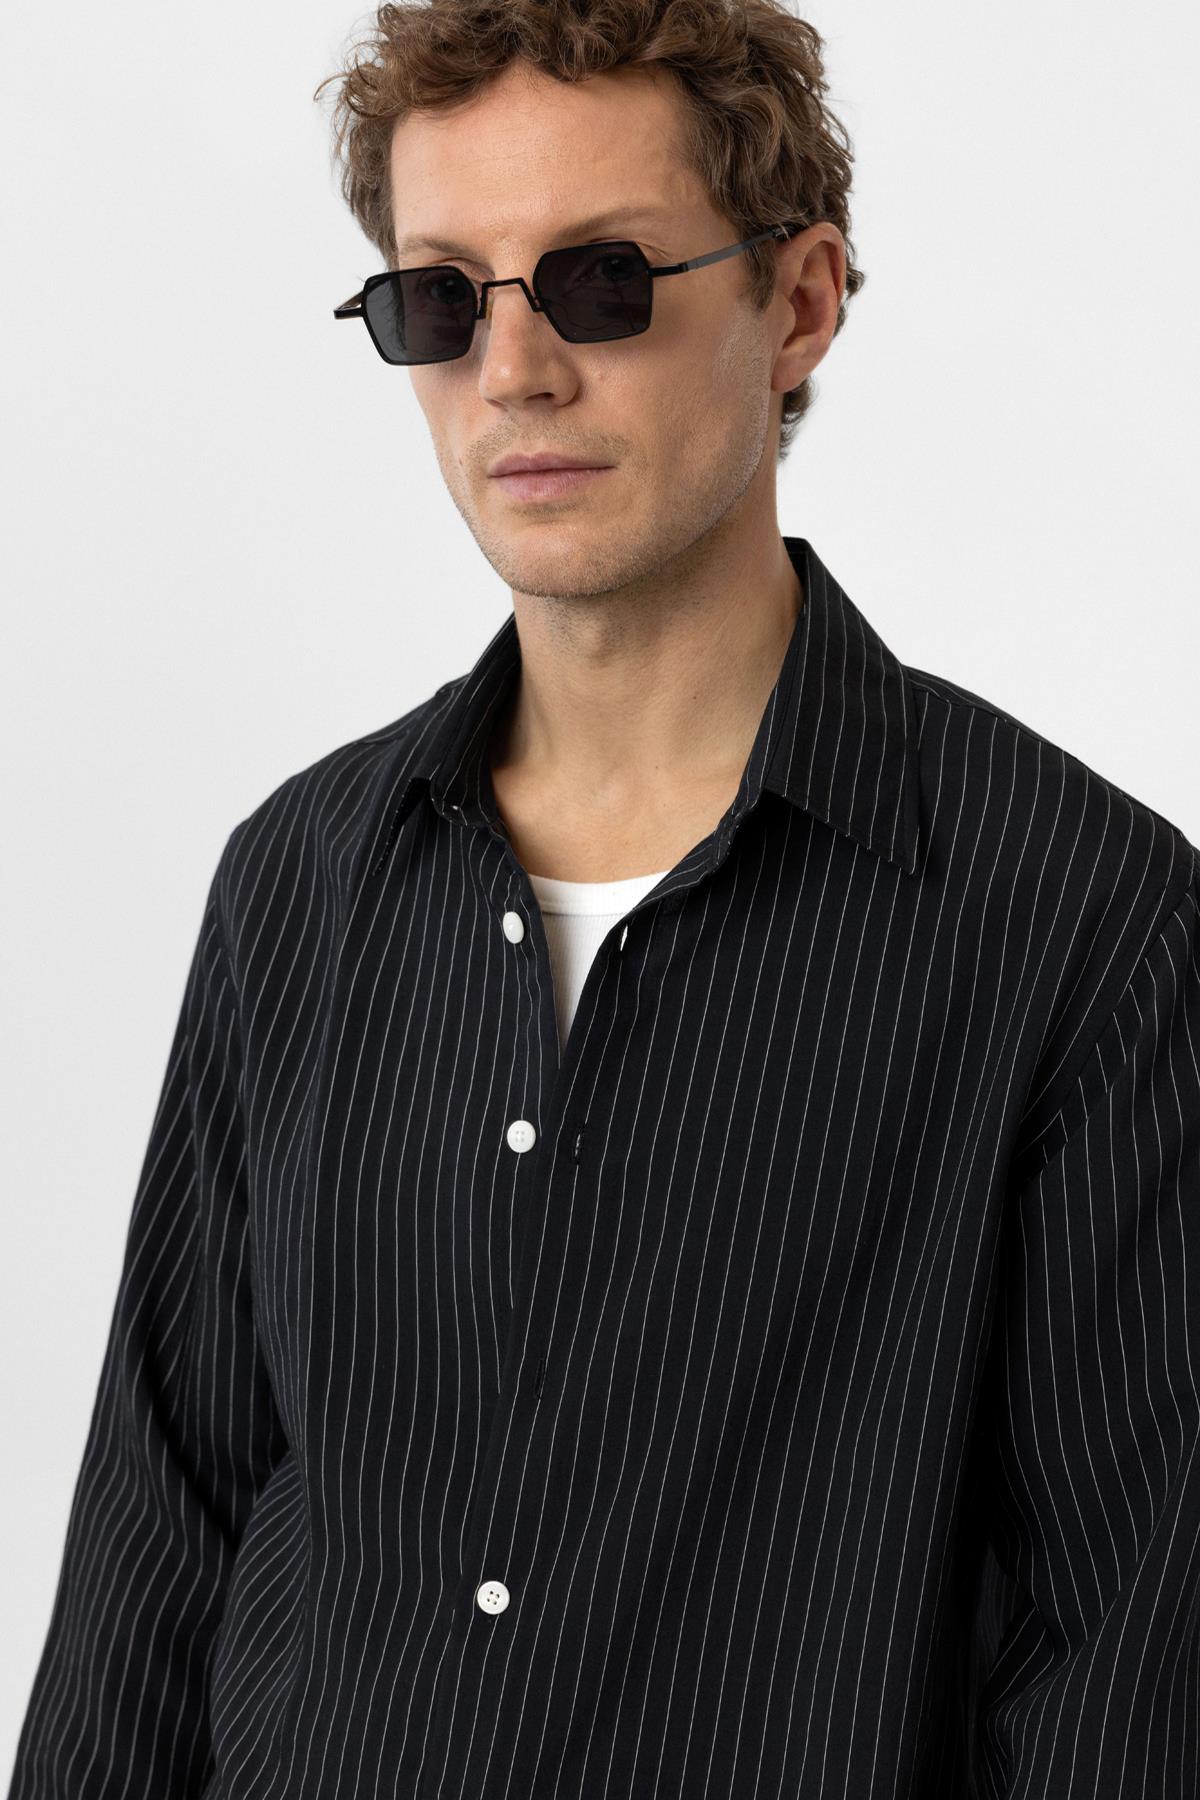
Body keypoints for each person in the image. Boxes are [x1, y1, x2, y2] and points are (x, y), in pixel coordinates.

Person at [9, 1, 1200, 1796]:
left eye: (600, 282)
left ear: (799, 300)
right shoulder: (299, 884)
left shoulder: (1089, 925)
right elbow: (152, 1570)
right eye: (441, 298)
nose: (513, 372)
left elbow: (1130, 1669)